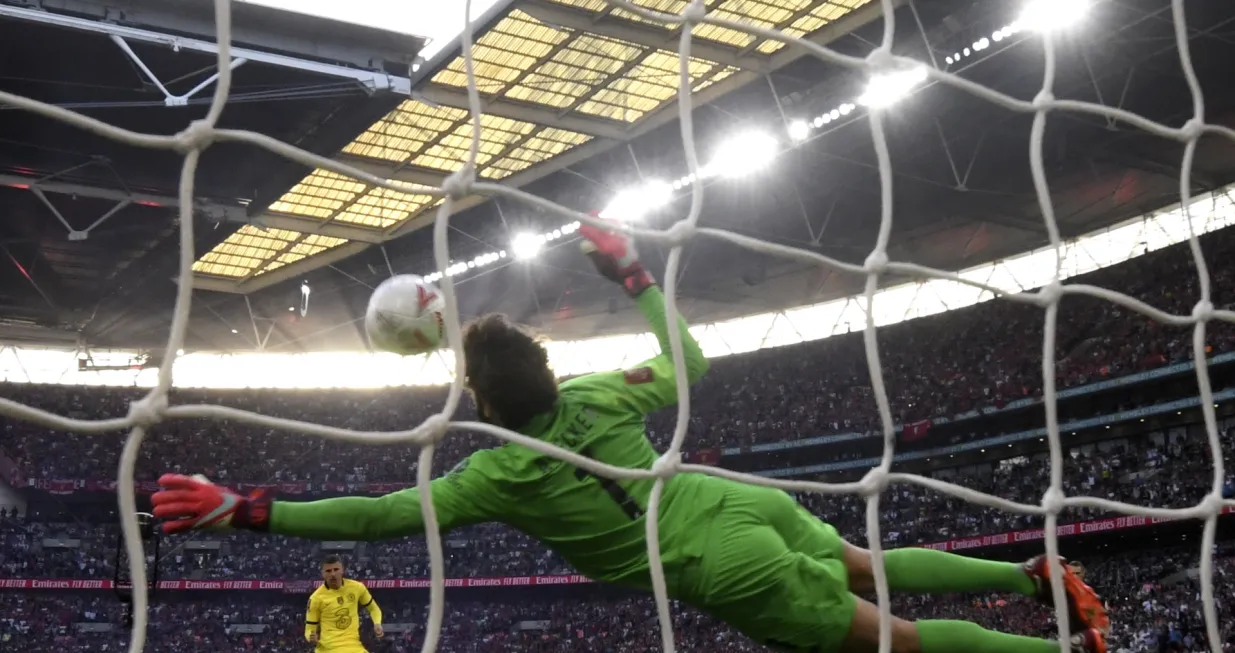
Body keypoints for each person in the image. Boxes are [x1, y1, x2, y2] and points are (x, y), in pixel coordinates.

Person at [152, 221, 1110, 653]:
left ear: (481, 401)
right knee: (870, 561)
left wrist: (248, 510)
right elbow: (689, 361)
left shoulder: (496, 476)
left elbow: (380, 514)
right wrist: (636, 275)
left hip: (708, 560)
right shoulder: (602, 394)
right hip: (733, 496)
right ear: (544, 368)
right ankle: (1024, 576)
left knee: (895, 643)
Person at [304, 555, 383, 652]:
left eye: (336, 569)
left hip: (353, 647)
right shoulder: (316, 598)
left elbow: (373, 608)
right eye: (328, 571)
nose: (333, 574)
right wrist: (311, 638)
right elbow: (309, 629)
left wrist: (377, 623)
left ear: (342, 570)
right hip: (328, 649)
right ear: (323, 574)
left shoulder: (357, 588)